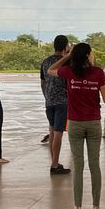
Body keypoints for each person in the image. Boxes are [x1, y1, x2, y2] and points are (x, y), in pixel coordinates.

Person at [56, 43, 105, 209]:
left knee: (78, 165)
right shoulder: (98, 73)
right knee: (94, 164)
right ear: (88, 55)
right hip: (94, 123)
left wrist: (68, 56)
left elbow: (51, 69)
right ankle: (96, 207)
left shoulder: (68, 72)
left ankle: (77, 208)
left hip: (75, 123)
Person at [39, 36, 71, 175]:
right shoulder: (66, 62)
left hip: (49, 102)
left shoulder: (46, 62)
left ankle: (55, 161)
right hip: (62, 102)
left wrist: (47, 96)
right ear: (65, 47)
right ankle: (54, 165)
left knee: (52, 131)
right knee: (58, 132)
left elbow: (43, 82)